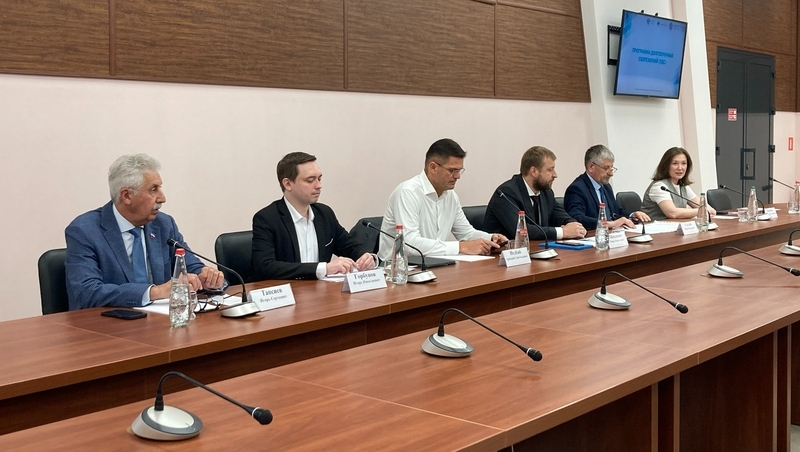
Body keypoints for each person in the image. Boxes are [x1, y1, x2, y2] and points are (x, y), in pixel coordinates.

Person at [65, 154, 225, 310]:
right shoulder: (84, 231)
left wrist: (205, 276)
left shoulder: (163, 224)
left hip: (159, 321)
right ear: (127, 196)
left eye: (160, 188)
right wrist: (155, 292)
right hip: (107, 323)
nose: (162, 198)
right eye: (153, 189)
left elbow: (189, 264)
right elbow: (87, 292)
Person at [252, 152, 376, 280]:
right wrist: (324, 269)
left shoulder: (324, 214)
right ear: (288, 184)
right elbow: (265, 266)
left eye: (319, 179)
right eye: (310, 180)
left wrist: (367, 257)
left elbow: (350, 246)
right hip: (287, 290)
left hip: (320, 290)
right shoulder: (267, 218)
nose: (318, 186)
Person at [378, 138, 506, 260]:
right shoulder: (408, 193)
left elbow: (466, 233)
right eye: (452, 171)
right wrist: (460, 247)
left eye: (459, 171)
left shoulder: (450, 196)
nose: (457, 176)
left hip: (434, 264)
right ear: (433, 167)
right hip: (396, 269)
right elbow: (409, 243)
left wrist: (491, 240)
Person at [484, 145, 585, 240]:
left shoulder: (546, 192)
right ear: (534, 171)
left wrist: (574, 226)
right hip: (505, 251)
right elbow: (521, 231)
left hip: (536, 248)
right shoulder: (506, 193)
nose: (555, 175)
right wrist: (562, 232)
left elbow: (561, 216)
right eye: (550, 170)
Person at [564, 144, 651, 230]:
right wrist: (609, 224)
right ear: (591, 167)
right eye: (606, 168)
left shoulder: (606, 186)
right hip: (593, 235)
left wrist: (632, 215)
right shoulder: (577, 189)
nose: (611, 173)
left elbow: (616, 211)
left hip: (612, 234)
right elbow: (577, 218)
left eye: (611, 168)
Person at [640, 147, 716, 220]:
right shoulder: (659, 186)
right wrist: (702, 210)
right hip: (653, 227)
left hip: (675, 227)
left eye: (683, 163)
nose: (680, 168)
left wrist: (709, 209)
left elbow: (700, 204)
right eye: (675, 163)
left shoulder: (683, 186)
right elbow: (673, 213)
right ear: (666, 166)